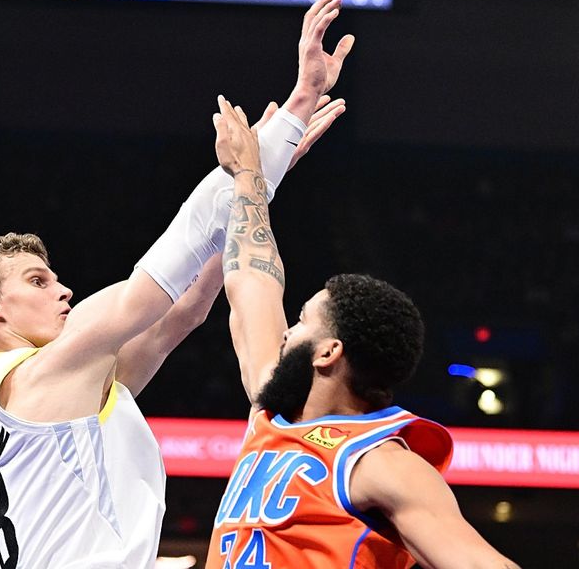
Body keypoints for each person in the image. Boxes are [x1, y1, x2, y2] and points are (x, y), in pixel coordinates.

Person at [0, 0, 353, 569]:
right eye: (36, 281)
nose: (63, 291)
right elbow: (155, 282)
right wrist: (291, 112)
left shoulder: (60, 394)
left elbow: (183, 310)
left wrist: (258, 179)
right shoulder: (39, 376)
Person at [205, 98, 521, 568]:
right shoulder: (271, 412)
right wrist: (250, 171)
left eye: (302, 321)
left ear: (328, 351)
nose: (288, 331)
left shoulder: (380, 461)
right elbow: (252, 279)